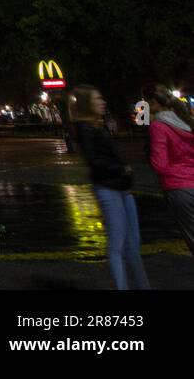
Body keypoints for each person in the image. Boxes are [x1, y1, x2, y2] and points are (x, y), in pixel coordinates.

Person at [71, 85, 150, 290]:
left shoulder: (98, 126)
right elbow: (95, 161)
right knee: (117, 244)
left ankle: (143, 286)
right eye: (97, 99)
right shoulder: (84, 129)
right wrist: (121, 168)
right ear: (88, 104)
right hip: (108, 187)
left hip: (121, 186)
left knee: (133, 243)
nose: (102, 102)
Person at [142, 83, 194, 257]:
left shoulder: (159, 126)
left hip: (179, 188)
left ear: (153, 102)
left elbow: (160, 165)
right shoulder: (185, 121)